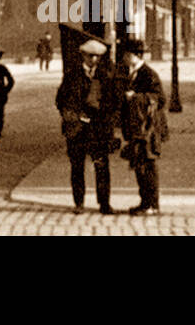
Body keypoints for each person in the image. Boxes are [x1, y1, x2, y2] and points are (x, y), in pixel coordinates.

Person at [55, 39, 120, 214]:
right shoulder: (72, 75)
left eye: (97, 56)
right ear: (83, 55)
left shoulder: (106, 76)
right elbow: (60, 100)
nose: (93, 60)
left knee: (101, 167)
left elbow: (114, 102)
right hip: (77, 129)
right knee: (77, 167)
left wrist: (106, 119)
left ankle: (104, 203)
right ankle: (79, 203)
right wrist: (71, 115)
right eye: (90, 56)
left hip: (98, 130)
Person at [118, 38, 167, 215]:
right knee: (139, 165)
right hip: (138, 129)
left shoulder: (148, 74)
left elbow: (160, 99)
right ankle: (145, 202)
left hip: (149, 129)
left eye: (126, 54)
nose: (123, 57)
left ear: (134, 56)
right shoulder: (131, 72)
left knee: (148, 166)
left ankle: (152, 205)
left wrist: (136, 97)